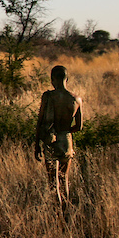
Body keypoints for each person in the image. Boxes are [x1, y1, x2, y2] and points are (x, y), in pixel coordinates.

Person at [35, 65, 82, 213]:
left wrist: (37, 144)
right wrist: (66, 132)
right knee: (64, 179)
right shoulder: (76, 99)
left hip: (51, 140)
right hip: (66, 140)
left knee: (53, 181)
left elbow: (40, 121)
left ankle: (57, 214)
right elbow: (79, 126)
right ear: (67, 79)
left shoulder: (48, 97)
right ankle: (66, 212)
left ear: (52, 79)